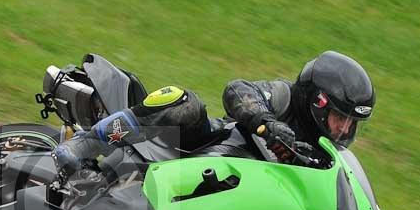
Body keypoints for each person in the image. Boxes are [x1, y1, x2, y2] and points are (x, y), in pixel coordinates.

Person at [52, 50, 375, 175]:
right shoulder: (285, 97)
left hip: (239, 188)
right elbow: (238, 90)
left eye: (351, 123)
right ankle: (87, 143)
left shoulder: (327, 156)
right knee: (183, 102)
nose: (343, 129)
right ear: (318, 102)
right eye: (340, 117)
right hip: (204, 148)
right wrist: (267, 124)